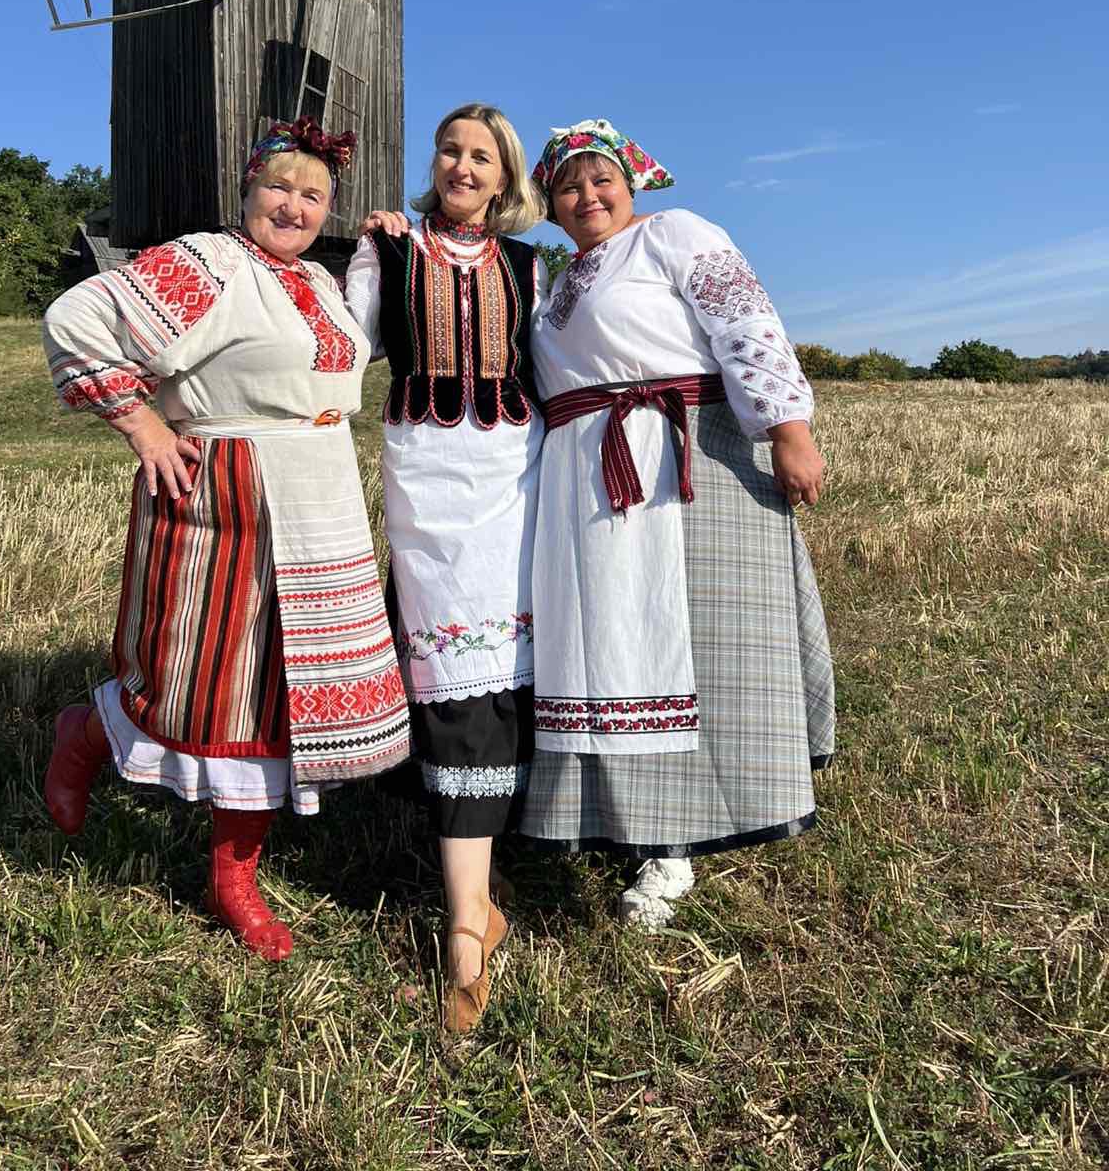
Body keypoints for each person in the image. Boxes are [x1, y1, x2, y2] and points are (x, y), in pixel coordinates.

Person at [40, 119, 410, 960]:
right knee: (201, 681)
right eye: (279, 186)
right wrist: (140, 422)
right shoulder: (208, 261)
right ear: (247, 191)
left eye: (313, 195)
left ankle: (232, 877)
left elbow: (357, 349)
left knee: (281, 694)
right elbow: (76, 315)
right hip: (225, 496)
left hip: (319, 499)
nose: (294, 206)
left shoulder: (315, 282)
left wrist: (382, 248)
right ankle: (86, 735)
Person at [521, 118, 834, 928]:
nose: (588, 196)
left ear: (631, 183)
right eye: (568, 187)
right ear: (550, 205)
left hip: (681, 460)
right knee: (613, 653)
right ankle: (625, 817)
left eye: (601, 179)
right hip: (587, 484)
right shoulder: (560, 282)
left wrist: (788, 429)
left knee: (696, 646)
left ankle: (677, 844)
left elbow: (746, 321)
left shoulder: (674, 235)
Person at [345, 104, 547, 1031]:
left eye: (482, 157)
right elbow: (340, 349)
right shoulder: (387, 249)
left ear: (505, 178)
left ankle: (476, 908)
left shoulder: (529, 266)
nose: (463, 167)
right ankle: (470, 917)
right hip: (427, 482)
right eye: (450, 151)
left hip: (517, 479)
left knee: (515, 672)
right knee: (453, 673)